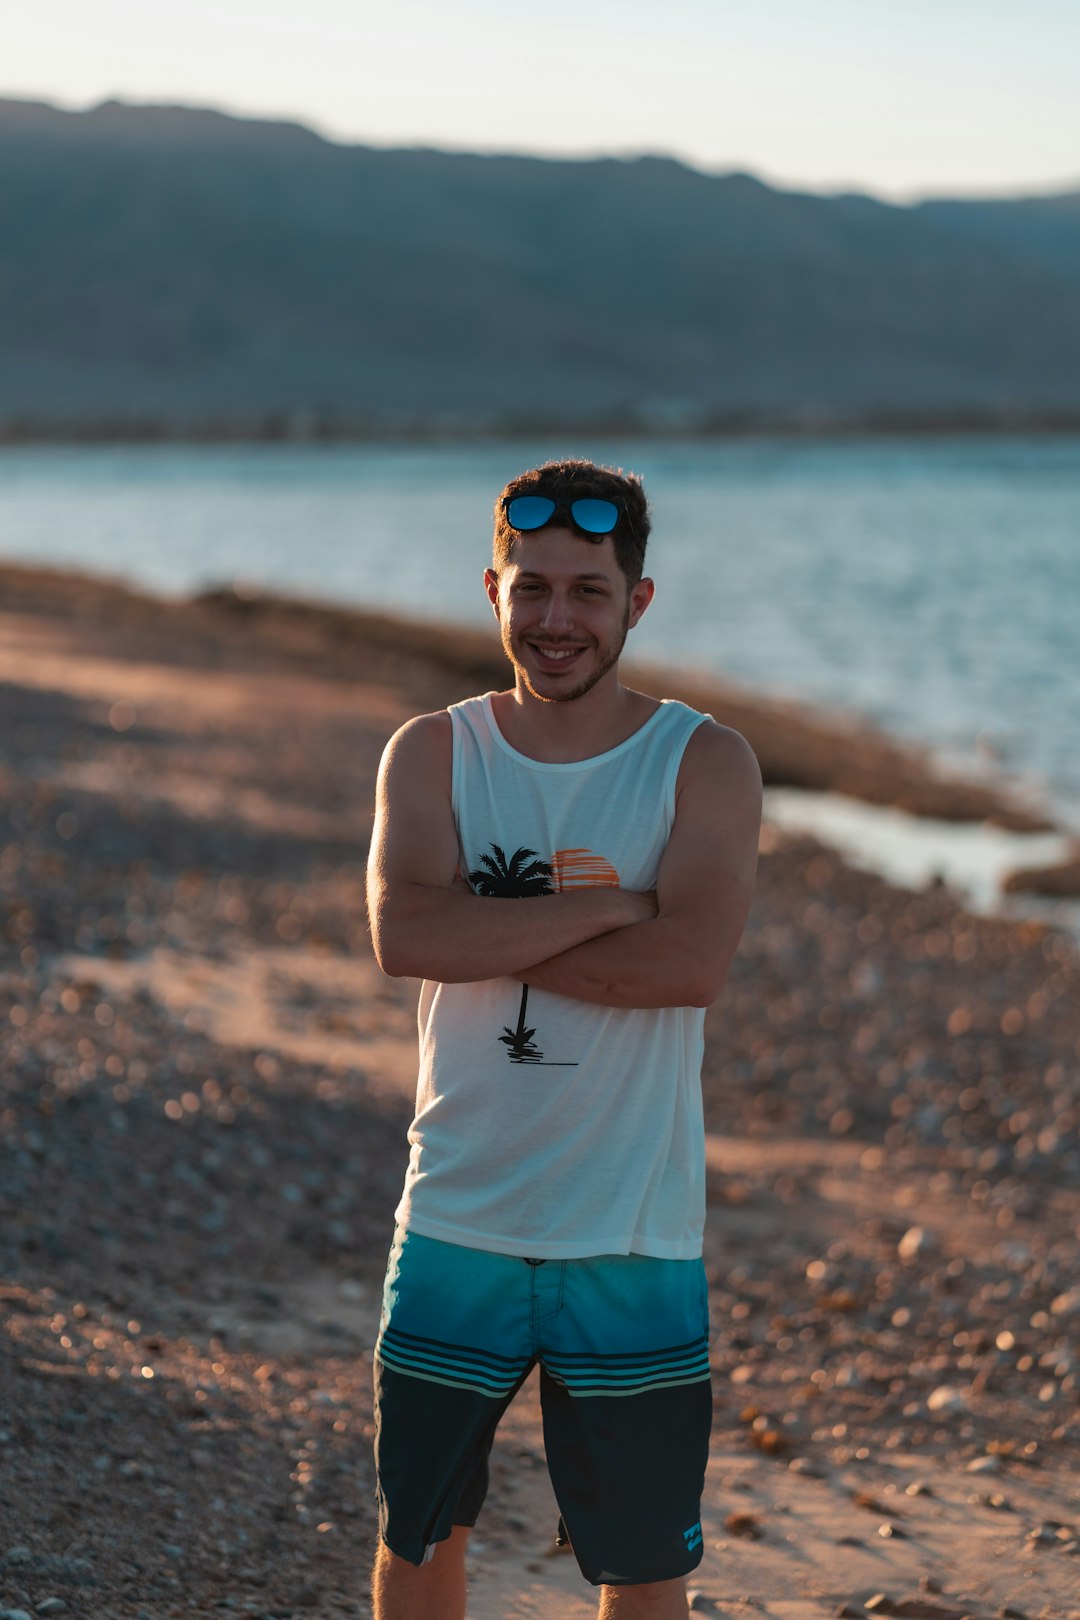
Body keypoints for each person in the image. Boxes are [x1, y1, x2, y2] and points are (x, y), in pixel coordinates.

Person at [365, 457, 762, 1620]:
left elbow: (688, 968)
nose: (556, 619)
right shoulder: (434, 752)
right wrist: (608, 903)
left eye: (588, 591)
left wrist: (479, 928)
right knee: (421, 1531)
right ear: (491, 591)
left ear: (638, 602)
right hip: (458, 1214)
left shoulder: (703, 762)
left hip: (630, 1231)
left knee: (643, 1565)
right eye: (531, 587)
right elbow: (403, 935)